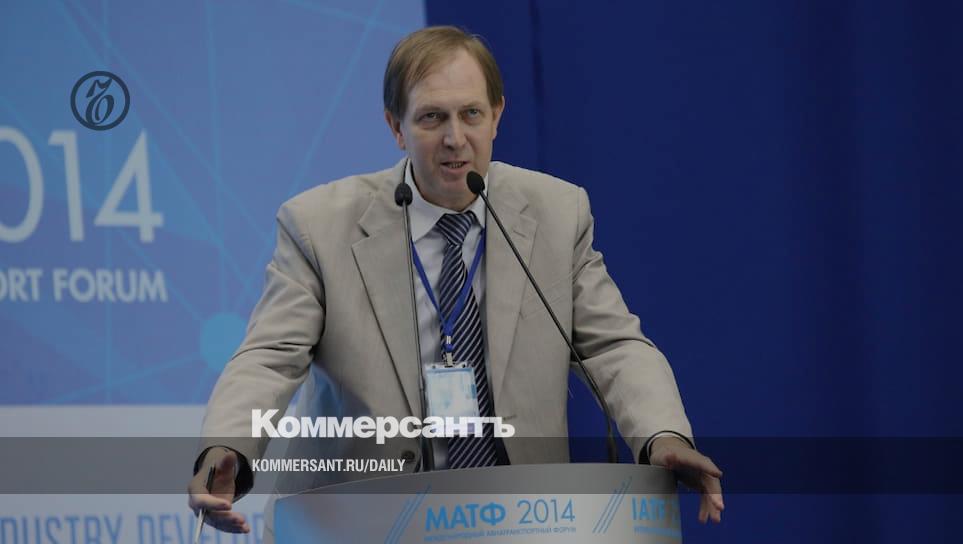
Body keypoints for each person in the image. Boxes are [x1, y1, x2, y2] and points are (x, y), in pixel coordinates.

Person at [188, 25, 724, 540]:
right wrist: (226, 449)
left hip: (520, 524)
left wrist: (663, 435)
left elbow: (615, 347)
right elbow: (269, 357)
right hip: (359, 522)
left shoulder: (557, 214)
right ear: (396, 127)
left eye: (471, 114)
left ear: (497, 116)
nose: (454, 138)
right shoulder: (318, 226)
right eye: (431, 118)